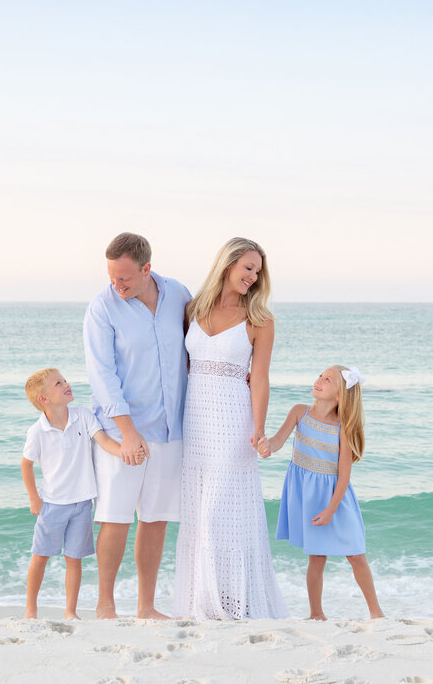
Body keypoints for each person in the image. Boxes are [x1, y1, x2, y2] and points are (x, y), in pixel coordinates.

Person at [173, 237, 288, 619]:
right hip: (197, 421)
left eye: (258, 272)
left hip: (234, 423)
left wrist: (260, 429)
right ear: (228, 264)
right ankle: (203, 601)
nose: (253, 277)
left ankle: (235, 602)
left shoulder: (260, 320)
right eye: (248, 268)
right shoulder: (192, 309)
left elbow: (260, 379)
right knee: (198, 510)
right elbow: (184, 369)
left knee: (221, 512)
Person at [84, 232, 192, 619]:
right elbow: (102, 374)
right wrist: (127, 432)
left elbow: (197, 344)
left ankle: (146, 606)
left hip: (170, 429)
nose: (118, 285)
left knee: (155, 518)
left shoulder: (178, 294)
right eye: (112, 277)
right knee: (115, 517)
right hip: (122, 430)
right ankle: (104, 605)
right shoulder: (102, 308)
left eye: (125, 278)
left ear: (147, 269)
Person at [259, 365, 384, 620]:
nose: (319, 380)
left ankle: (376, 612)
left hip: (336, 499)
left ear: (339, 395)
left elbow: (344, 476)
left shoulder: (343, 428)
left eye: (327, 380)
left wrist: (330, 510)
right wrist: (266, 445)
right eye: (320, 375)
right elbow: (278, 441)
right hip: (309, 495)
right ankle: (316, 613)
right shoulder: (299, 413)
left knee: (356, 554)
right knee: (316, 557)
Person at [20, 368, 123, 619]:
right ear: (43, 399)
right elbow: (26, 463)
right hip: (53, 504)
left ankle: (70, 611)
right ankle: (30, 609)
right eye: (58, 383)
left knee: (74, 559)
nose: (67, 384)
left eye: (64, 380)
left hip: (82, 503)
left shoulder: (83, 416)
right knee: (41, 556)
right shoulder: (37, 431)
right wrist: (34, 497)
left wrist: (124, 452)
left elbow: (102, 440)